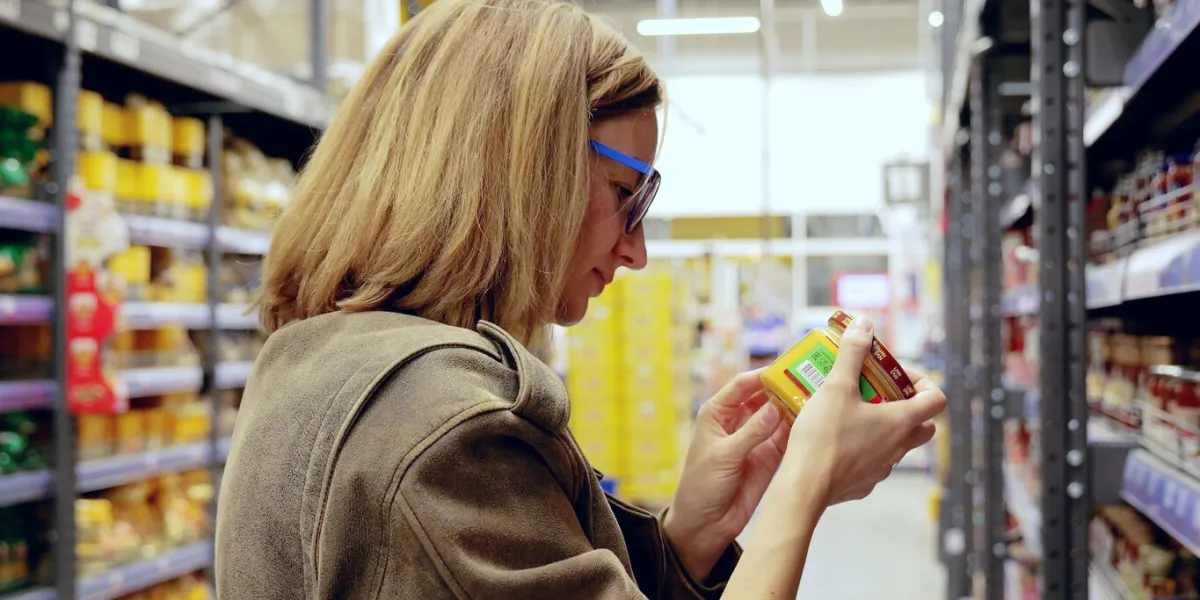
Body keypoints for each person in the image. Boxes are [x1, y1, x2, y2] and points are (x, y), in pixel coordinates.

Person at [214, 0, 948, 597]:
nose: (636, 252)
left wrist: (688, 538)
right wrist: (807, 481)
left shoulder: (321, 361)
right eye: (624, 196)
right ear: (517, 172)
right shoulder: (438, 420)